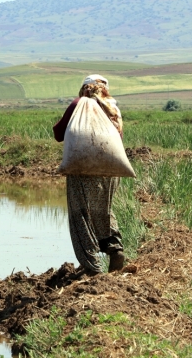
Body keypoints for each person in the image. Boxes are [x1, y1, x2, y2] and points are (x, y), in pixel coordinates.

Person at [52, 74, 125, 275]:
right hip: (111, 171)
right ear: (105, 89)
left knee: (80, 214)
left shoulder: (78, 104)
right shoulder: (112, 107)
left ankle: (92, 265)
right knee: (104, 210)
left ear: (84, 88)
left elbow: (58, 134)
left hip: (82, 170)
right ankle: (114, 248)